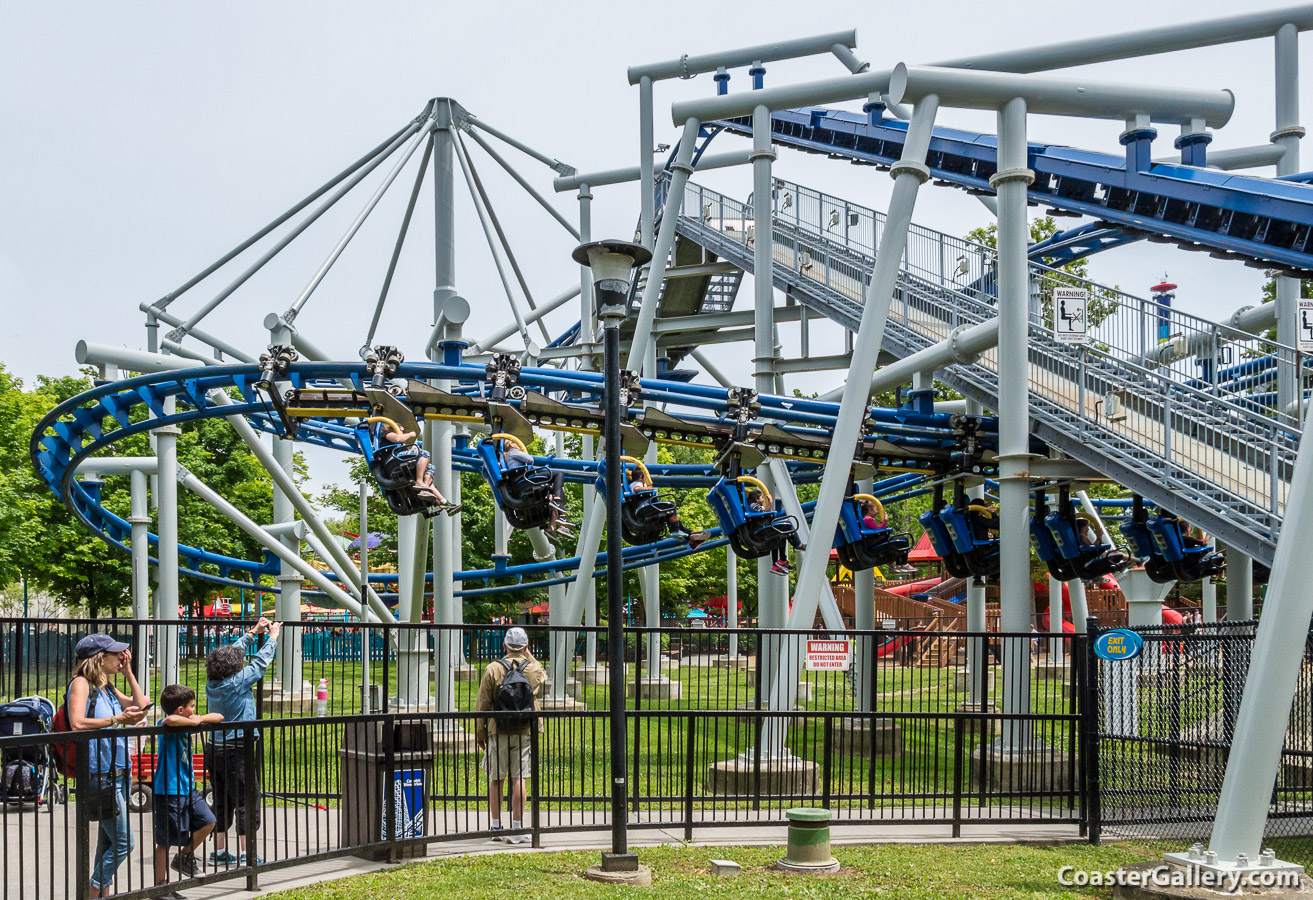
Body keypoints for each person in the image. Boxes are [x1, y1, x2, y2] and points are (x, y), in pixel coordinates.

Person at [67, 634, 149, 898]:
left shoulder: (107, 687)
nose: (120, 658)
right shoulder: (81, 684)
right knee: (124, 843)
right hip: (99, 775)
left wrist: (129, 674)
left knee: (108, 843)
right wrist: (117, 719)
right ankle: (92, 891)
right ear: (98, 658)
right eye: (115, 654)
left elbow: (141, 706)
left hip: (120, 774)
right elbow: (77, 723)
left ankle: (100, 895)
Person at [204, 617, 280, 867]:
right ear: (233, 667)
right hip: (238, 749)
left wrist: (251, 633)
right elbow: (259, 664)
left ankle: (219, 851)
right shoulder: (236, 683)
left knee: (221, 798)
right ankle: (247, 853)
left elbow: (231, 655)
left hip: (214, 749)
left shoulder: (211, 684)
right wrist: (272, 638)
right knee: (247, 798)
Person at [474, 627, 546, 844]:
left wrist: (481, 734)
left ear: (504, 645)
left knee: (496, 779)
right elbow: (543, 673)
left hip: (499, 730)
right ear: (525, 647)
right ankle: (517, 828)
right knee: (519, 779)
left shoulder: (493, 669)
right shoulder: (532, 670)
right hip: (524, 730)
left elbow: (482, 705)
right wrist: (528, 654)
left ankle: (496, 826)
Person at [153, 685, 221, 897]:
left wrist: (197, 718)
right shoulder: (165, 726)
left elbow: (218, 716)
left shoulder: (190, 720)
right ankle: (160, 888)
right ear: (181, 709)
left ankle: (183, 857)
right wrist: (195, 721)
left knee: (208, 820)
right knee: (164, 840)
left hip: (187, 789)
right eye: (192, 706)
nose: (195, 709)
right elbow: (169, 720)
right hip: (168, 790)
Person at [375, 419, 460, 515]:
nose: (403, 432)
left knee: (430, 468)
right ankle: (420, 482)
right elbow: (398, 439)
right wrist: (410, 434)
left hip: (399, 459)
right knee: (424, 453)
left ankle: (444, 503)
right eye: (401, 430)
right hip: (393, 459)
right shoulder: (387, 434)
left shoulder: (400, 445)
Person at [497, 438, 573, 538]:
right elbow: (530, 459)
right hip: (525, 481)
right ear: (511, 444)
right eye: (518, 444)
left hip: (520, 484)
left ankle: (553, 526)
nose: (520, 447)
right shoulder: (513, 452)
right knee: (559, 474)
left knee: (553, 493)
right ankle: (558, 503)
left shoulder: (508, 458)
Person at [629, 469, 711, 550]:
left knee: (675, 522)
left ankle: (691, 539)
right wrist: (647, 488)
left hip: (646, 507)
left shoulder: (636, 483)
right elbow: (636, 489)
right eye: (645, 478)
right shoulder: (636, 483)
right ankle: (677, 531)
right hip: (644, 508)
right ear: (640, 477)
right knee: (670, 505)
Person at [745, 488, 806, 576]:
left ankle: (778, 562)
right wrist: (770, 502)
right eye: (761, 498)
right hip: (761, 528)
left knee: (779, 536)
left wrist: (763, 504)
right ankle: (798, 545)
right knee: (787, 524)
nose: (762, 499)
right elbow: (764, 514)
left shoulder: (753, 505)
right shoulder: (753, 505)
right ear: (756, 499)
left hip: (761, 527)